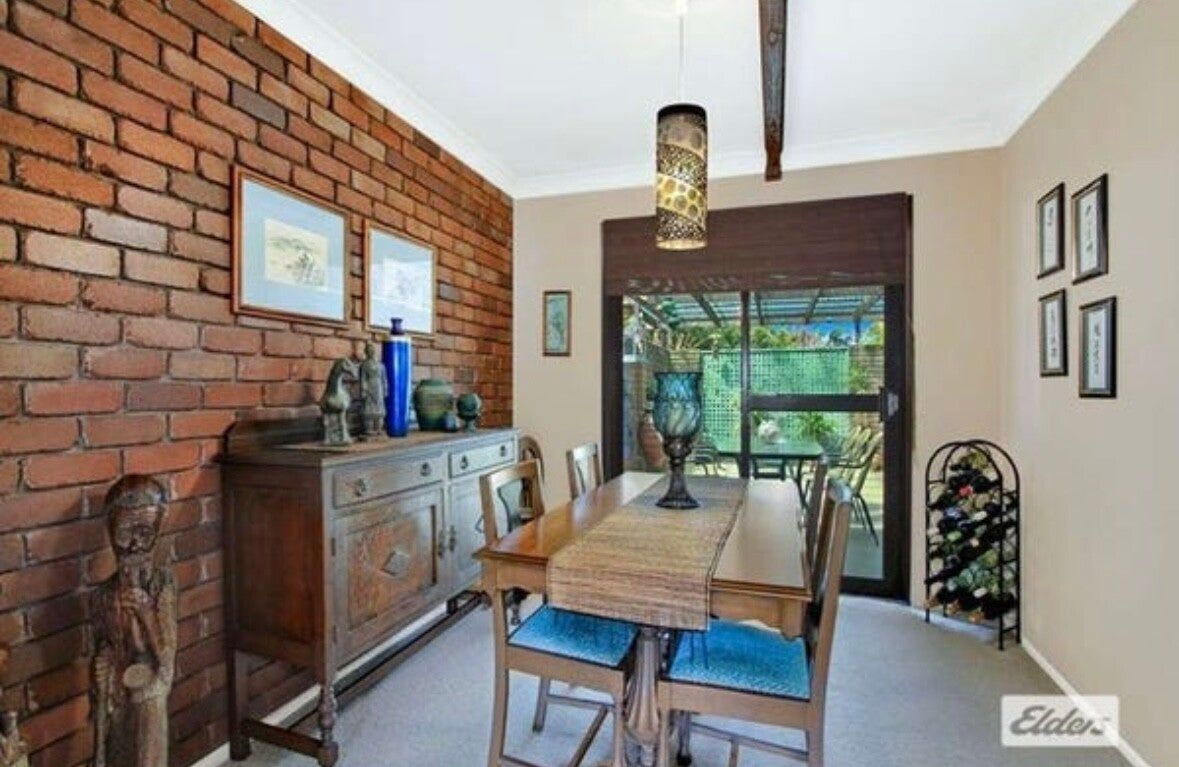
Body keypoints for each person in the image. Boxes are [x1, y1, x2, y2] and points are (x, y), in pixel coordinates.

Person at [92, 476, 176, 767]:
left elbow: (167, 662)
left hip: (151, 691)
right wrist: (102, 664)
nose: (134, 545)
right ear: (111, 532)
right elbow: (104, 642)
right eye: (125, 533)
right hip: (118, 690)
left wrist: (146, 613)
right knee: (116, 748)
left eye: (144, 532)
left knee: (147, 740)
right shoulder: (104, 594)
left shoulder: (162, 584)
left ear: (157, 531)